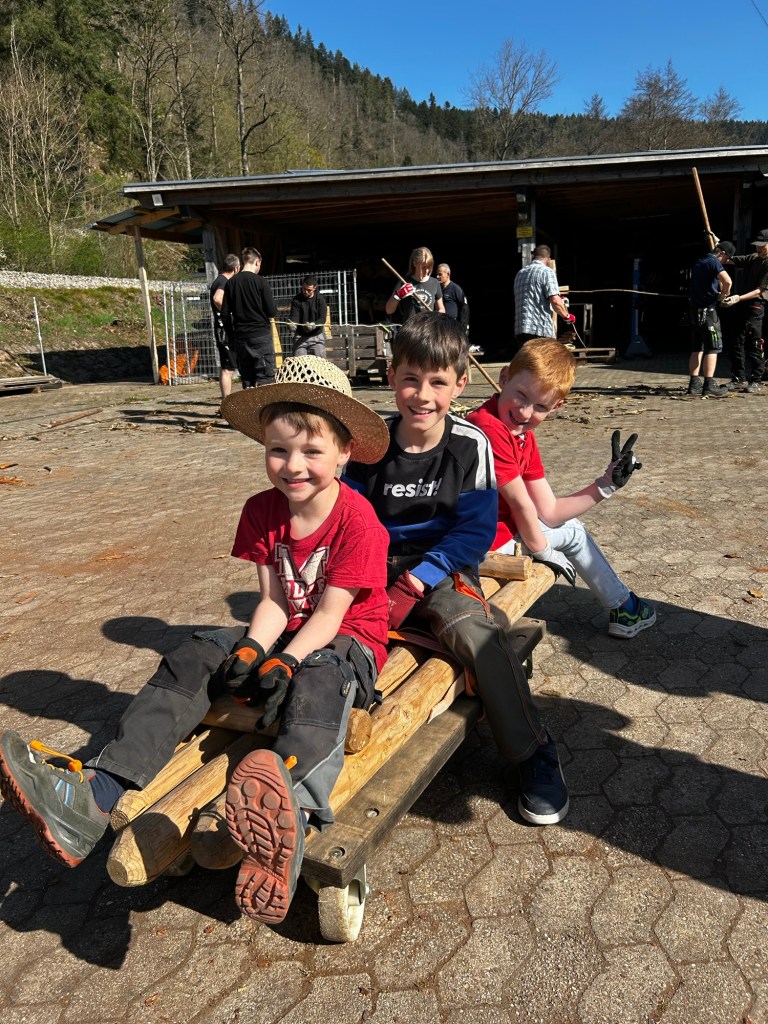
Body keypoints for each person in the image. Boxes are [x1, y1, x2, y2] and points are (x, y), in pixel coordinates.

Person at [0, 356, 391, 927]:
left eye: (311, 451)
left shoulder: (359, 521)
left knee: (319, 680)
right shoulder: (260, 511)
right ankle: (96, 794)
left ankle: (293, 812)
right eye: (278, 450)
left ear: (344, 452)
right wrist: (253, 650)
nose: (292, 466)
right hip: (287, 630)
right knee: (199, 651)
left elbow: (331, 615)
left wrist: (286, 660)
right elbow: (274, 603)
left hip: (348, 639)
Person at [343, 313, 570, 827]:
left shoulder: (471, 444)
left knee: (479, 637)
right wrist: (366, 580)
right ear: (391, 376)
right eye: (410, 379)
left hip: (444, 568)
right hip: (375, 565)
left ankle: (533, 750)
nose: (422, 395)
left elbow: (473, 531)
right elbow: (352, 519)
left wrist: (416, 579)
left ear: (460, 383)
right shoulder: (370, 442)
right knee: (327, 630)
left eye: (438, 383)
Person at [466, 338, 656, 640]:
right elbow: (522, 506)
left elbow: (550, 511)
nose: (525, 413)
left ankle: (624, 606)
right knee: (574, 532)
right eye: (521, 395)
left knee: (572, 529)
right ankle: (625, 607)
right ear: (504, 378)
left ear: (556, 407)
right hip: (476, 546)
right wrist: (543, 550)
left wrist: (606, 484)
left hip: (493, 538)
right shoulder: (488, 427)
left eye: (540, 406)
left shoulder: (522, 437)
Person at [719, 228, 768, 393]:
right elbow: (729, 260)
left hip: (756, 305)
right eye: (757, 245)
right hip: (742, 303)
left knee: (755, 341)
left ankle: (756, 379)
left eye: (762, 245)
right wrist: (719, 247)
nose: (758, 248)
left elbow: (760, 290)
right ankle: (738, 378)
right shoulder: (753, 258)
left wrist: (738, 298)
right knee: (736, 340)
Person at [222, 247, 278, 388]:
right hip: (260, 336)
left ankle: (249, 401)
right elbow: (272, 311)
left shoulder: (231, 283)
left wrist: (231, 335)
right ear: (257, 262)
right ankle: (264, 402)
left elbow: (225, 314)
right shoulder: (261, 282)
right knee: (265, 378)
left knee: (247, 378)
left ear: (243, 262)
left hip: (241, 338)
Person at [686, 242, 734, 397]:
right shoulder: (713, 262)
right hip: (708, 312)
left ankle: (694, 384)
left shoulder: (700, 261)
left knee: (697, 348)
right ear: (722, 253)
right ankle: (709, 384)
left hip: (694, 311)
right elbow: (727, 281)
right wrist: (723, 294)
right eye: (726, 259)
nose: (725, 262)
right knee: (713, 348)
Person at [513, 244, 575, 353]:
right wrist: (567, 316)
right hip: (539, 331)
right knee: (545, 362)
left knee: (528, 362)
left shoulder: (520, 274)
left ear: (533, 257)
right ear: (548, 260)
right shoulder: (547, 271)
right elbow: (555, 301)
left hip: (521, 331)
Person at [210, 253, 241, 403]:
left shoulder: (219, 280)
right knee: (228, 368)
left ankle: (226, 401)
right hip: (225, 331)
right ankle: (226, 402)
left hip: (223, 330)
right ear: (236, 268)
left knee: (228, 367)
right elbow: (217, 298)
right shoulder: (223, 282)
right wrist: (231, 310)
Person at [385, 246, 445, 323]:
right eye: (423, 267)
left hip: (428, 327)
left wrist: (437, 316)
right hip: (410, 328)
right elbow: (389, 310)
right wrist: (398, 295)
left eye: (429, 267)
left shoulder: (435, 283)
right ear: (414, 263)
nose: (426, 270)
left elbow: (441, 308)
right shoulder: (404, 281)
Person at [289, 276, 328, 357]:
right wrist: (293, 324)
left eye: (309, 290)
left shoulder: (320, 300)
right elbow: (295, 316)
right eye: (304, 289)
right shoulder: (296, 300)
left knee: (320, 358)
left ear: (314, 288)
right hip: (300, 336)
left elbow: (322, 318)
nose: (306, 292)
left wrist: (314, 325)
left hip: (317, 336)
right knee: (299, 361)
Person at [436, 263, 469, 333]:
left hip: (452, 327)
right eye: (437, 274)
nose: (437, 276)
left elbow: (464, 308)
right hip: (440, 325)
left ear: (448, 274)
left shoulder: (456, 289)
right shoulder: (437, 289)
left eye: (440, 274)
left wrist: (463, 327)